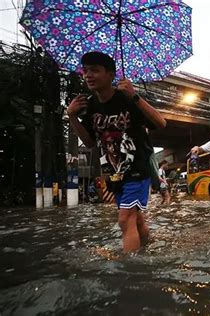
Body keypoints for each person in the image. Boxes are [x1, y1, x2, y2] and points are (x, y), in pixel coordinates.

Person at [67, 51, 166, 253]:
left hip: (137, 167)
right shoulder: (90, 105)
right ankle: (148, 252)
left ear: (111, 74)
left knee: (124, 219)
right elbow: (89, 142)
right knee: (136, 219)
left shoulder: (128, 98)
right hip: (114, 172)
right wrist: (72, 116)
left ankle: (131, 274)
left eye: (95, 70)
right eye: (85, 71)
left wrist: (134, 95)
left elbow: (160, 123)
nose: (88, 76)